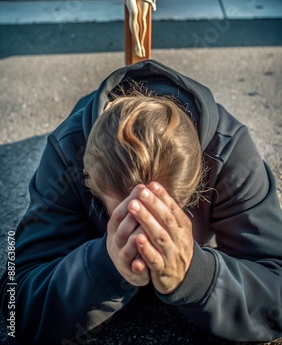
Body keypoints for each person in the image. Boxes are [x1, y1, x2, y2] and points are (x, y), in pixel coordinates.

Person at [1, 59, 282, 344]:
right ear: (88, 180)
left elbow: (277, 292)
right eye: (126, 215)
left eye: (163, 212)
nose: (144, 237)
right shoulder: (67, 151)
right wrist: (104, 266)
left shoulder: (229, 153)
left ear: (200, 182)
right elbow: (14, 302)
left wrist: (196, 276)